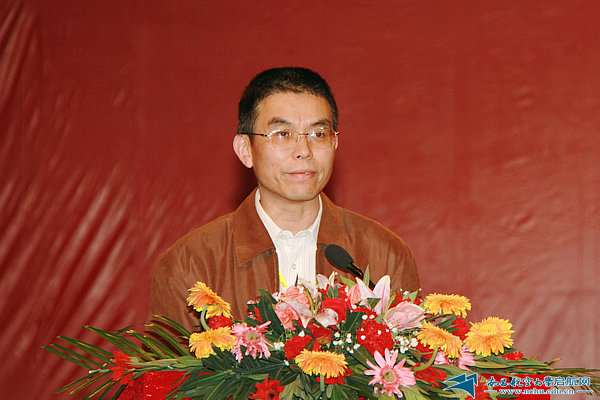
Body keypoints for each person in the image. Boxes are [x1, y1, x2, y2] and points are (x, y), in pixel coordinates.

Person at [147, 67, 419, 330]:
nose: (304, 150)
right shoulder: (190, 264)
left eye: (319, 134)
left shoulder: (384, 255)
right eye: (283, 134)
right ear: (246, 150)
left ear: (335, 143)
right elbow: (168, 362)